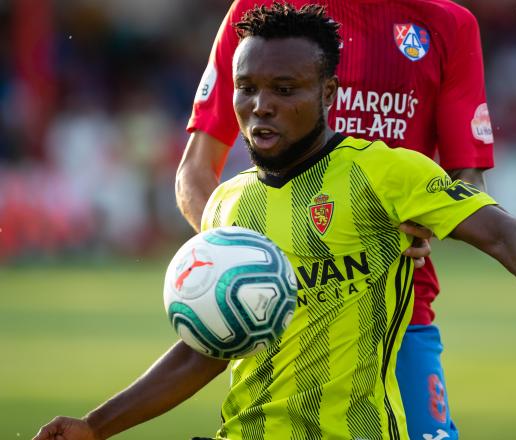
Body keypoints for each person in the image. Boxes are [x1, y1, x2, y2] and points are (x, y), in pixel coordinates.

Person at [34, 4, 516, 440]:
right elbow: (203, 345)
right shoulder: (235, 184)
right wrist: (238, 268)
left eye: (283, 89)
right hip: (257, 348)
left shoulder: (410, 112)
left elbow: (485, 214)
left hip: (400, 313)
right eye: (249, 90)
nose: (260, 104)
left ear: (329, 89)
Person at [177, 1, 494, 437]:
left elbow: (468, 182)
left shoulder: (447, 24)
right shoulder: (259, 13)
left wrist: (431, 221)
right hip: (275, 317)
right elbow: (194, 171)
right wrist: (242, 265)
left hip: (395, 316)